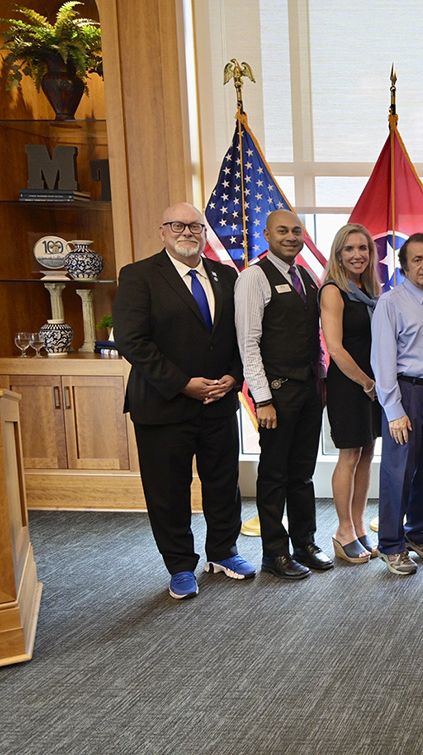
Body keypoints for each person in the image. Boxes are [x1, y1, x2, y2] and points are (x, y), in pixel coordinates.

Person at [113, 202, 251, 600]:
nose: (187, 232)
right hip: (162, 405)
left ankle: (223, 552)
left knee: (223, 484)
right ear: (163, 231)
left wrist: (234, 376)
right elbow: (132, 341)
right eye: (178, 225)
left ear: (205, 233)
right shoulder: (139, 276)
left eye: (195, 226)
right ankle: (180, 566)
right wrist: (182, 383)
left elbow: (239, 337)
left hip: (218, 404)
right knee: (168, 491)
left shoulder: (226, 276)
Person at [235, 209, 331, 580]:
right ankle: (274, 552)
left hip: (308, 389)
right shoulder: (252, 278)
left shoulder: (305, 276)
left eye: (296, 230)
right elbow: (249, 343)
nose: (291, 236)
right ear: (266, 234)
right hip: (275, 394)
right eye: (283, 231)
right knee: (275, 474)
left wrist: (320, 379)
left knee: (303, 473)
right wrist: (262, 399)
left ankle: (304, 542)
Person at [371, 233, 423, 575]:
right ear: (404, 265)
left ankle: (417, 533)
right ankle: (390, 544)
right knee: (398, 473)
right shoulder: (390, 302)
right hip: (405, 394)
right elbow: (382, 360)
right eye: (417, 259)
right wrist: (394, 410)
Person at [319, 223, 381, 564]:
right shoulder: (333, 290)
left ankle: (358, 525)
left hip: (372, 385)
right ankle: (343, 531)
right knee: (349, 455)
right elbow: (336, 349)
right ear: (339, 255)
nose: (358, 255)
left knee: (367, 455)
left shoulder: (369, 290)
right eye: (350, 249)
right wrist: (367, 383)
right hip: (349, 385)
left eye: (363, 248)